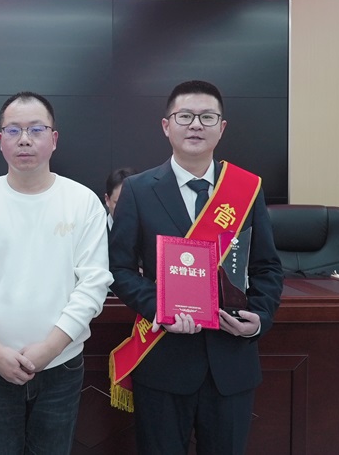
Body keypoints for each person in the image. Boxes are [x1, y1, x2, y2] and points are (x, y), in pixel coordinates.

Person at [108, 80, 284, 455]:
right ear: (166, 125)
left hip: (231, 360)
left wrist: (259, 318)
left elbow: (268, 267)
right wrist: (160, 308)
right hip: (164, 358)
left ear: (222, 127)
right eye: (185, 116)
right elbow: (119, 268)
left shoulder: (247, 188)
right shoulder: (138, 189)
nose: (196, 125)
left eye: (207, 117)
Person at [0, 91, 112, 454]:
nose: (24, 139)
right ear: (0, 140)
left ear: (54, 139)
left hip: (62, 365)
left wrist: (50, 349)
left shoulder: (82, 202)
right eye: (14, 130)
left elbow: (93, 284)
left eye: (36, 129)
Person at [104, 166, 136, 231]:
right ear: (107, 199)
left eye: (131, 204)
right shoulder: (95, 229)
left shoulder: (150, 228)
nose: (125, 209)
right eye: (119, 203)